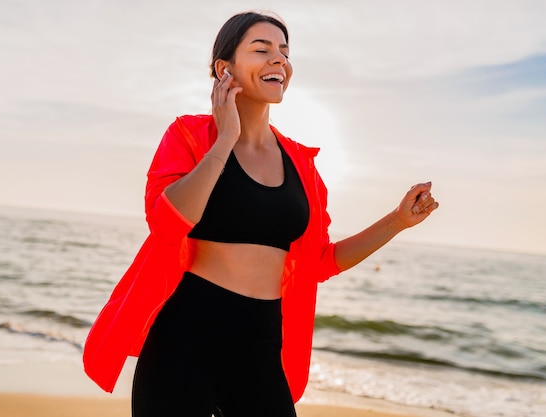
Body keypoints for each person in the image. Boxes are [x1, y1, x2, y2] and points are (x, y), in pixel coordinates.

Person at [83, 10, 439, 417]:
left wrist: (397, 221)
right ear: (224, 69)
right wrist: (226, 138)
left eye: (285, 52)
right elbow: (166, 224)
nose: (279, 60)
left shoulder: (302, 164)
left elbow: (320, 262)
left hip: (261, 346)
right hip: (183, 338)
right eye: (262, 49)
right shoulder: (188, 135)